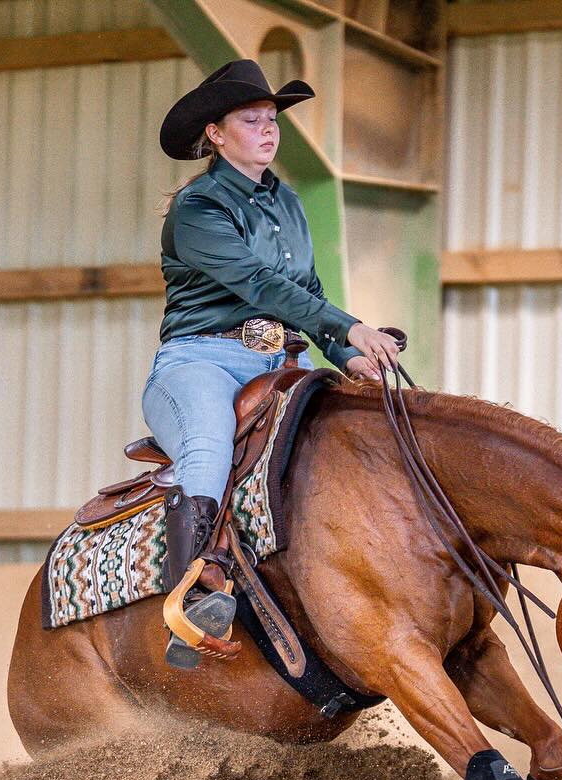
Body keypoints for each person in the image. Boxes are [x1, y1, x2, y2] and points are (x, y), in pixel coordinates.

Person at [146, 58, 401, 663]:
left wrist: (347, 354)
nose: (267, 129)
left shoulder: (287, 202)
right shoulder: (197, 209)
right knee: (208, 443)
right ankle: (192, 598)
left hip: (281, 364)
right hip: (200, 362)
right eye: (251, 119)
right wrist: (350, 327)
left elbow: (306, 291)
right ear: (216, 133)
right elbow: (260, 284)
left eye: (272, 119)